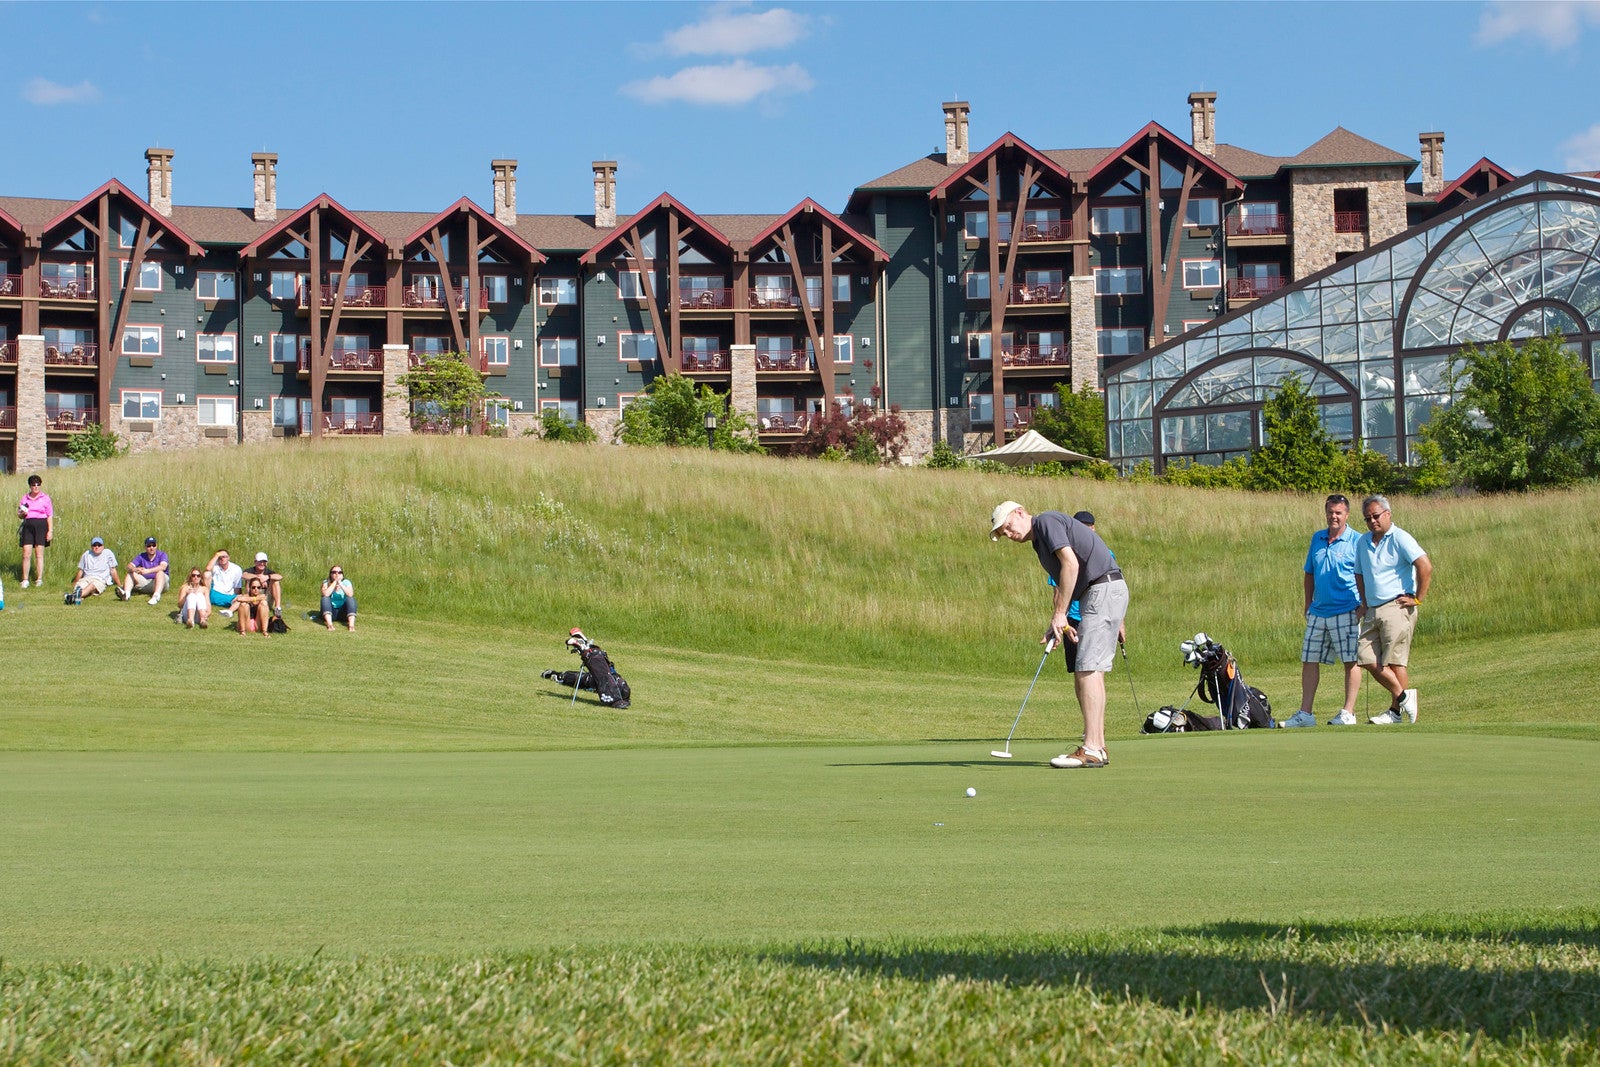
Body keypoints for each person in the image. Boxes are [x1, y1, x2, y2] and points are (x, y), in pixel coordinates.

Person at [990, 500, 1129, 769]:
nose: (1007, 534)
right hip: (1101, 591)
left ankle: (1090, 748)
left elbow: (1071, 565)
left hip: (1101, 589)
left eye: (1007, 527)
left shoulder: (1045, 522)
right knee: (1092, 669)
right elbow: (1068, 580)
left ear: (1019, 513)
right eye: (1002, 533)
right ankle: (1097, 746)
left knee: (1087, 668)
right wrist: (1058, 621)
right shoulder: (1039, 539)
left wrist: (1060, 613)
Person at [1285, 494, 1363, 728]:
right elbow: (1309, 572)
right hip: (1319, 610)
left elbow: (1364, 575)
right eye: (1330, 512)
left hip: (1347, 609)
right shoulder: (1317, 538)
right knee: (1309, 659)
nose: (1334, 516)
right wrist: (1308, 603)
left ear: (1347, 514)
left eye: (1338, 512)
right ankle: (1305, 714)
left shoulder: (1357, 541)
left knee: (1350, 660)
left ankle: (1348, 712)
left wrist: (1364, 606)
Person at [1355, 494, 1433, 725]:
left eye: (1376, 516)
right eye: (1367, 518)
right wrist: (1364, 602)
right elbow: (1359, 573)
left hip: (1397, 606)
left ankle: (1396, 712)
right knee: (1365, 656)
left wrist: (1418, 598)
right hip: (1373, 608)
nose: (1372, 522)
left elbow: (1425, 566)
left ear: (1388, 514)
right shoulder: (1363, 542)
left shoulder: (1400, 537)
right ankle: (1404, 697)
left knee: (1395, 661)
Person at [17, 474, 53, 589]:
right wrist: (22, 514)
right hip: (28, 526)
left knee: (39, 554)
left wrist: (50, 531)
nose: (36, 487)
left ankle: (39, 579)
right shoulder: (25, 498)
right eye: (33, 484)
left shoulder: (45, 498)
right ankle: (25, 579)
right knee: (26, 553)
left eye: (38, 484)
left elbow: (49, 515)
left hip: (41, 526)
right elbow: (20, 515)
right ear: (30, 486)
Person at [68, 537, 121, 603]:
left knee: (92, 586)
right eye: (94, 545)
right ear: (91, 546)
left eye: (99, 545)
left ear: (103, 546)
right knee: (79, 586)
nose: (97, 547)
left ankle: (73, 597)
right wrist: (75, 582)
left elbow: (113, 570)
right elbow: (81, 570)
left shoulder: (107, 553)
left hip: (99, 579)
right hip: (86, 578)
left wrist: (119, 584)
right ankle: (78, 597)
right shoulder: (86, 554)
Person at [120, 536, 170, 605]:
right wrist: (135, 569)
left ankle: (156, 596)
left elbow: (163, 567)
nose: (151, 548)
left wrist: (147, 571)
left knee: (160, 573)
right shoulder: (141, 556)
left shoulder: (162, 555)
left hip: (160, 582)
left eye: (153, 545)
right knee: (130, 574)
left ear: (156, 546)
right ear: (145, 547)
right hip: (145, 582)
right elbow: (129, 567)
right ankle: (126, 594)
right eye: (149, 546)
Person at [204, 549, 244, 618]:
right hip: (213, 593)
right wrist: (216, 555)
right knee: (206, 574)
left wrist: (237, 597)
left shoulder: (236, 569)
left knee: (242, 597)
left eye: (224, 556)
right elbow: (208, 568)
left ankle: (229, 611)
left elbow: (237, 586)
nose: (222, 558)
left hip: (228, 595)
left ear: (228, 557)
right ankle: (205, 601)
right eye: (220, 557)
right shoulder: (215, 566)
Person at [246, 552, 284, 616]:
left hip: (265, 597)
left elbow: (280, 576)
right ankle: (249, 604)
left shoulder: (269, 572)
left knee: (276, 582)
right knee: (248, 581)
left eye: (264, 562)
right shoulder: (250, 570)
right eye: (260, 561)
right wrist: (259, 579)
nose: (262, 563)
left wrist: (267, 577)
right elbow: (244, 575)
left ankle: (277, 608)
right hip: (253, 597)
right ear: (255, 562)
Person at [320, 566, 357, 631]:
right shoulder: (326, 582)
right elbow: (326, 594)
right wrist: (334, 582)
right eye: (334, 572)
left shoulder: (346, 582)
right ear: (330, 574)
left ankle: (351, 626)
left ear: (342, 574)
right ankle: (330, 625)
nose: (337, 574)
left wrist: (340, 583)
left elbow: (350, 594)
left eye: (339, 572)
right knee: (325, 599)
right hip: (330, 612)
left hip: (343, 613)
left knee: (351, 599)